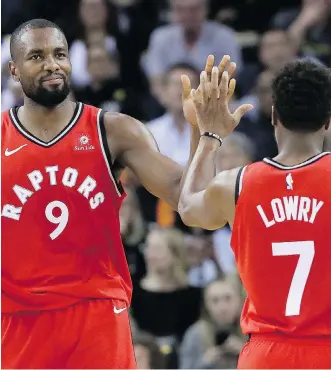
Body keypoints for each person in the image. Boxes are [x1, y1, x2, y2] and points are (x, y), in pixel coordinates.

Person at [1, 18, 215, 369]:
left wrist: (203, 134)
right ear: (14, 69)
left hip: (96, 310)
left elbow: (189, 199)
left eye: (59, 54)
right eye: (36, 56)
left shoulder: (113, 130)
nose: (52, 63)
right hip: (20, 317)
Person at [178, 59, 331, 368]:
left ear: (274, 116)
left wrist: (208, 135)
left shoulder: (235, 184)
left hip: (264, 355)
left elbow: (188, 208)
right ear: (327, 120)